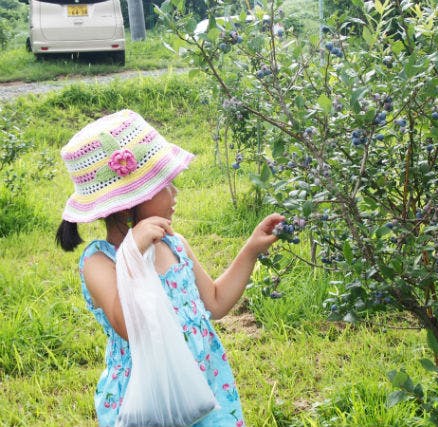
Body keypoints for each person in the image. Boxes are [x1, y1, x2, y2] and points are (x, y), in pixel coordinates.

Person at [55, 109, 284, 427]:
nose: (175, 193)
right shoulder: (99, 262)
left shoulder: (174, 246)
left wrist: (251, 249)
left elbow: (216, 302)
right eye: (166, 185)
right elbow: (127, 326)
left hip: (206, 390)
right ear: (131, 198)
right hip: (146, 400)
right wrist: (132, 254)